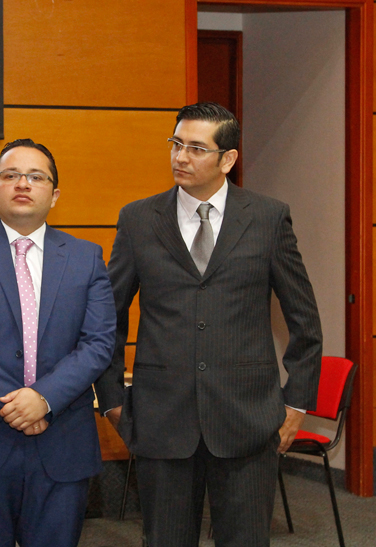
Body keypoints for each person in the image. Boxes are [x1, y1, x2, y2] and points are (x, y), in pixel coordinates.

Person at [94, 102, 322, 547]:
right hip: (162, 418)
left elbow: (304, 318)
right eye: (176, 144)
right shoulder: (139, 219)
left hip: (249, 419)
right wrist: (112, 400)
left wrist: (296, 404)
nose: (180, 156)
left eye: (196, 148)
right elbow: (109, 316)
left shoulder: (268, 217)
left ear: (228, 159)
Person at [0, 139, 116, 547]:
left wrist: (43, 398)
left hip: (62, 440)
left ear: (55, 193)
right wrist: (16, 403)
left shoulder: (87, 257)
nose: (22, 184)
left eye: (36, 176)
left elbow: (99, 343)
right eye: (10, 175)